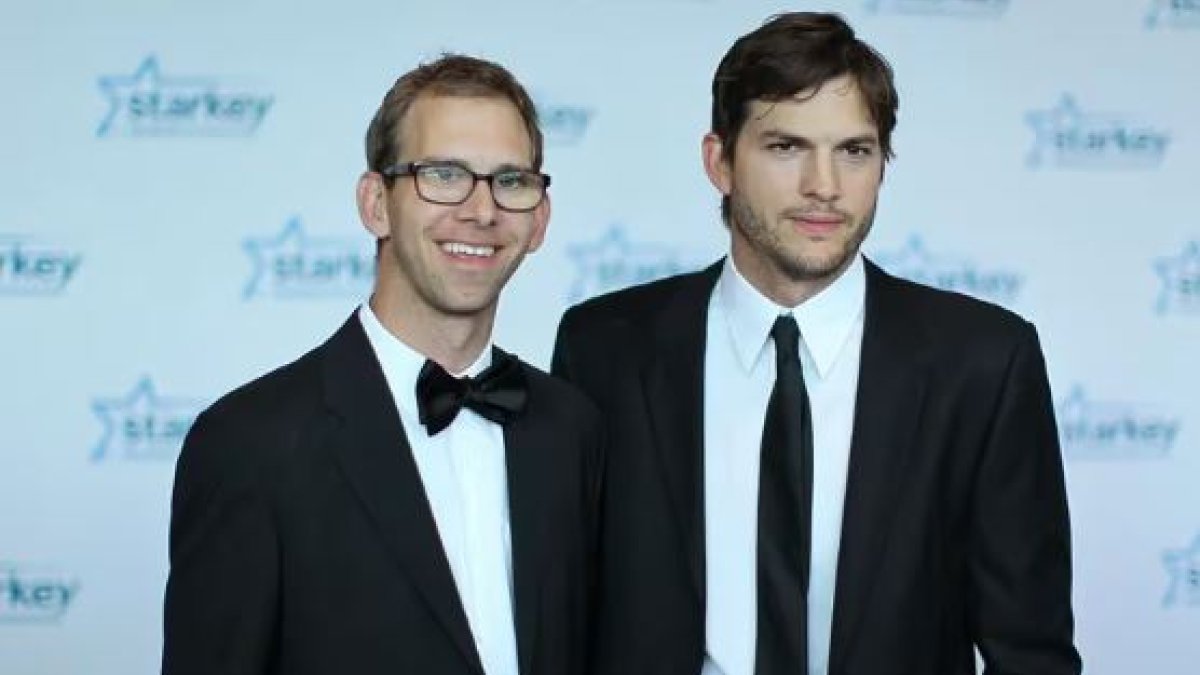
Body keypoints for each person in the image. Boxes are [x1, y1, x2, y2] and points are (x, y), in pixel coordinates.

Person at [553, 12, 1081, 675]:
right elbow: (563, 615)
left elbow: (1030, 651)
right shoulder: (605, 348)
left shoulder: (982, 361)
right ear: (719, 161)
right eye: (786, 147)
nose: (824, 186)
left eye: (854, 151)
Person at [163, 54, 602, 675]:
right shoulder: (250, 442)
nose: (481, 210)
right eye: (444, 175)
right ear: (376, 204)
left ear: (539, 220)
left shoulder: (573, 428)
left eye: (510, 181)